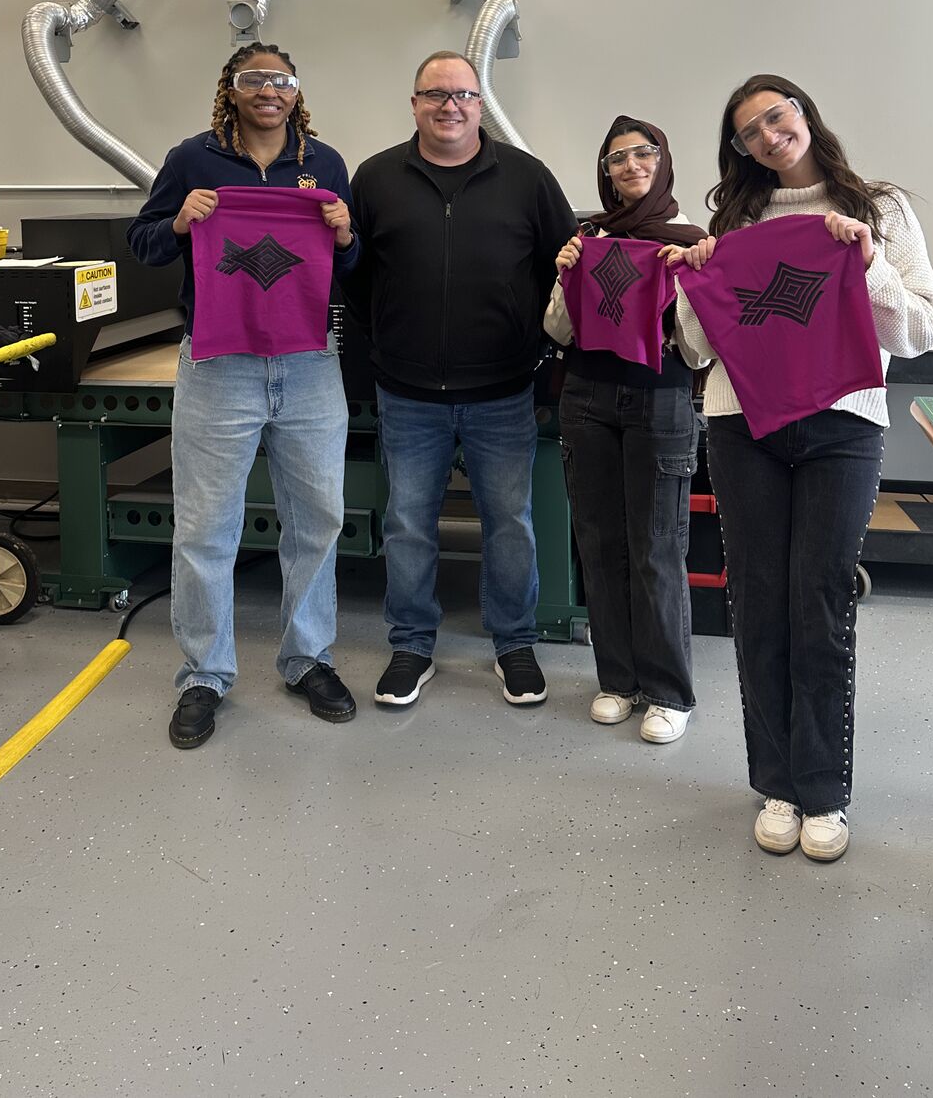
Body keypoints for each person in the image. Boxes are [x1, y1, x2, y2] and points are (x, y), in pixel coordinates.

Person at [674, 75, 933, 860]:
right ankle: (777, 783)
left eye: (776, 115)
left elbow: (924, 328)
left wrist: (866, 265)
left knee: (820, 599)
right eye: (748, 131)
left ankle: (823, 789)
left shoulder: (880, 210)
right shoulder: (734, 221)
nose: (767, 134)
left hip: (843, 423)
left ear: (803, 114)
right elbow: (695, 348)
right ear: (740, 150)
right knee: (758, 600)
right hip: (743, 424)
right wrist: (697, 279)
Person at [128, 42, 360, 748]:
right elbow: (142, 244)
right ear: (229, 87)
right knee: (204, 524)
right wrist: (176, 222)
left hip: (309, 360)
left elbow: (351, 263)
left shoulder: (324, 164)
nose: (269, 90)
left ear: (296, 92)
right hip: (218, 361)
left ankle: (308, 659)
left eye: (281, 80)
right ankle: (204, 673)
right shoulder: (191, 160)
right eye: (254, 78)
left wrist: (346, 233)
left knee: (319, 515)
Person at [346, 51, 576, 709]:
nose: (451, 106)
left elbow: (566, 267)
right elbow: (355, 276)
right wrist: (389, 342)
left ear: (481, 105)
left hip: (503, 390)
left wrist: (534, 346)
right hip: (407, 392)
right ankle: (412, 645)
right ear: (414, 103)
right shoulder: (377, 177)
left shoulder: (527, 178)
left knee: (510, 523)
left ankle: (513, 642)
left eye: (464, 95)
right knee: (408, 524)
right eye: (436, 94)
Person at [544, 118, 705, 744]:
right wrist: (566, 276)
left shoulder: (693, 239)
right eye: (617, 158)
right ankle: (617, 680)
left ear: (663, 161)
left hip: (660, 401)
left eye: (645, 153)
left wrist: (688, 280)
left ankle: (669, 691)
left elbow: (698, 351)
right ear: (604, 171)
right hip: (586, 399)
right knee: (600, 542)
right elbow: (558, 332)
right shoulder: (588, 237)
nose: (631, 165)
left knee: (657, 546)